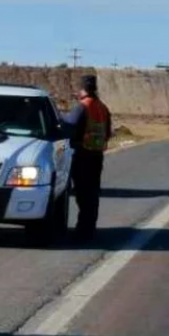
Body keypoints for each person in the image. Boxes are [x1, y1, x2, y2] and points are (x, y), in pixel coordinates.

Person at [64, 75, 113, 241]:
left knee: (82, 194)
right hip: (97, 155)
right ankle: (89, 228)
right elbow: (108, 133)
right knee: (92, 193)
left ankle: (83, 231)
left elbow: (69, 128)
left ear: (82, 89)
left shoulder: (82, 107)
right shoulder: (102, 107)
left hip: (82, 156)